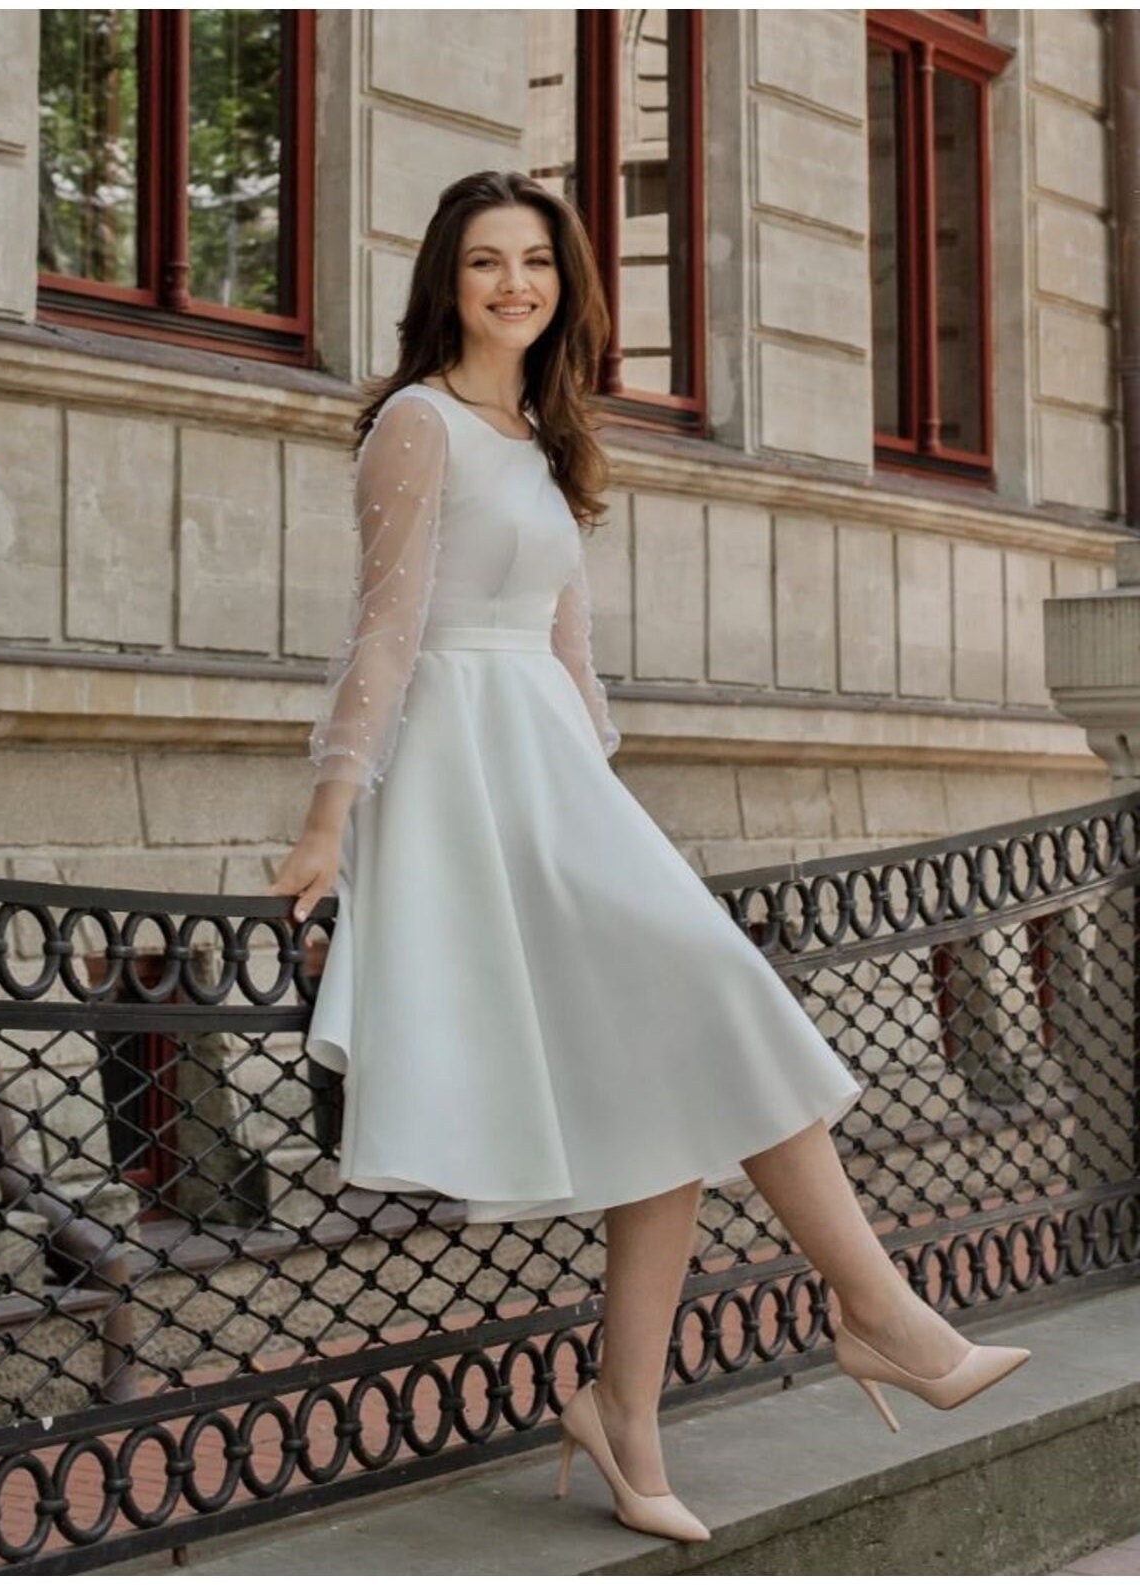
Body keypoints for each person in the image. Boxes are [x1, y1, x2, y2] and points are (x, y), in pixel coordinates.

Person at [270, 169, 1029, 1546]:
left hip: (554, 771)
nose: (515, 283)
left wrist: (611, 804)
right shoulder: (416, 426)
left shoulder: (546, 432)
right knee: (711, 1003)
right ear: (446, 278)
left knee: (667, 1088)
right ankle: (881, 1312)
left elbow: (571, 646)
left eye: (538, 262)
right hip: (461, 769)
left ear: (566, 284)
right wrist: (332, 813)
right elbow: (382, 632)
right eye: (488, 261)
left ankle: (624, 1410)